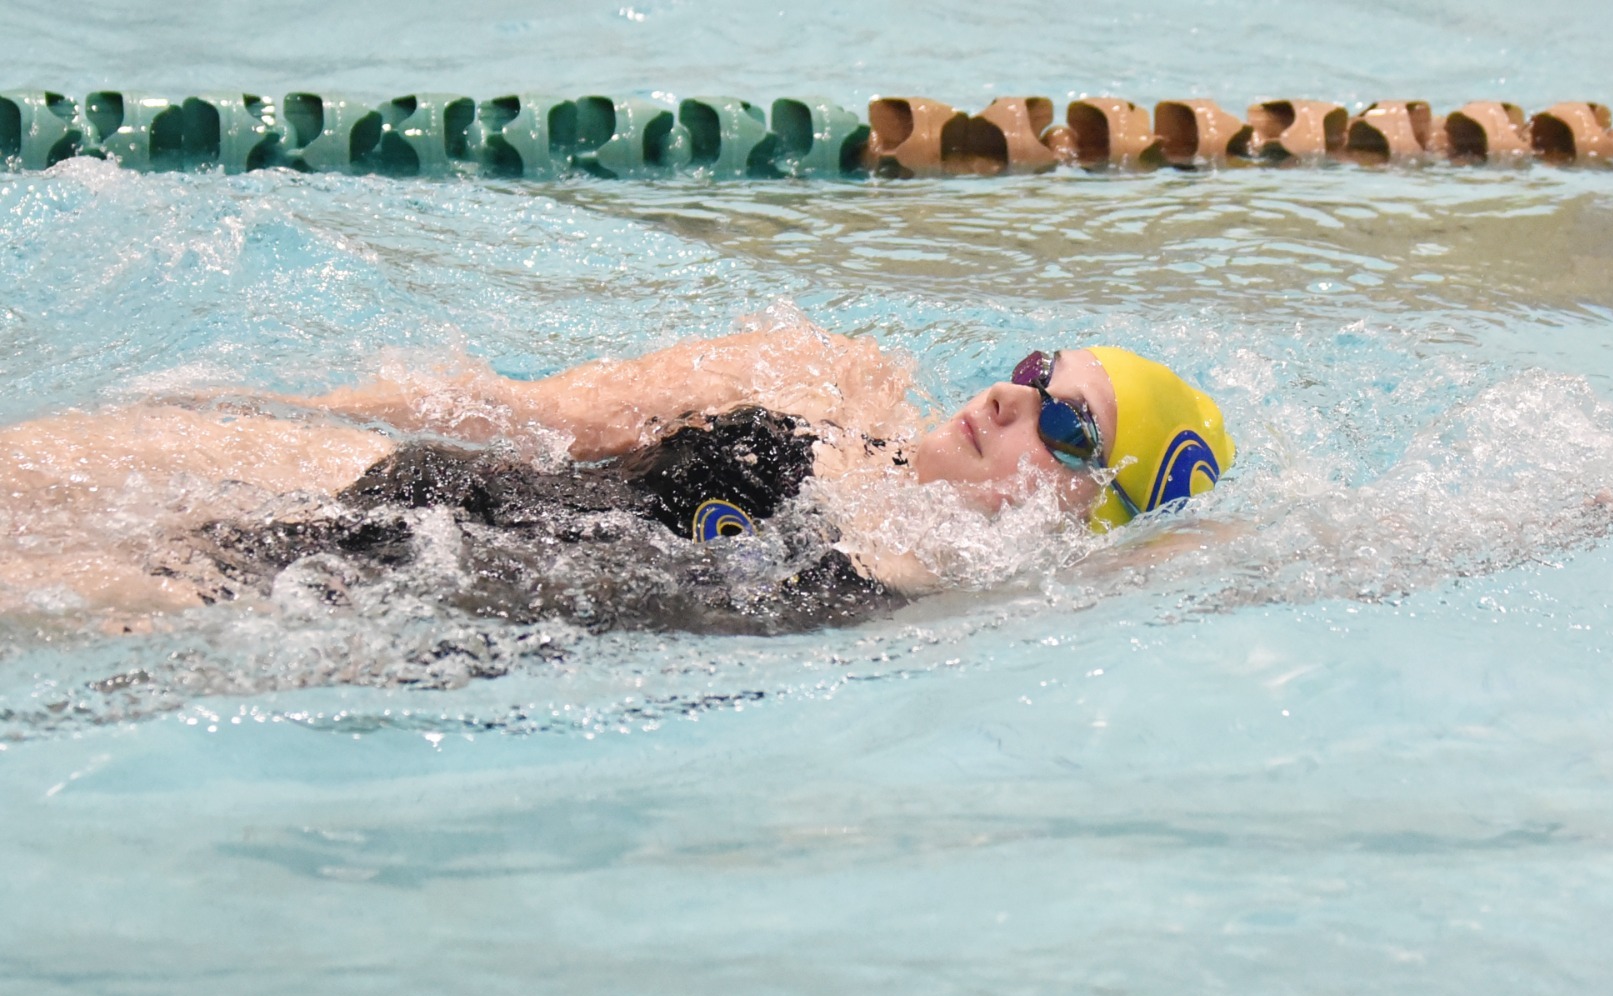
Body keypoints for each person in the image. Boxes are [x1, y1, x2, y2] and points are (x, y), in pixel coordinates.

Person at [0, 322, 1237, 633]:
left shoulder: (957, 594)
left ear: (1090, 517)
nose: (1011, 396)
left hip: (356, 588)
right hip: (364, 473)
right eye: (1035, 367)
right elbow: (528, 411)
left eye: (1068, 431)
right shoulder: (829, 376)